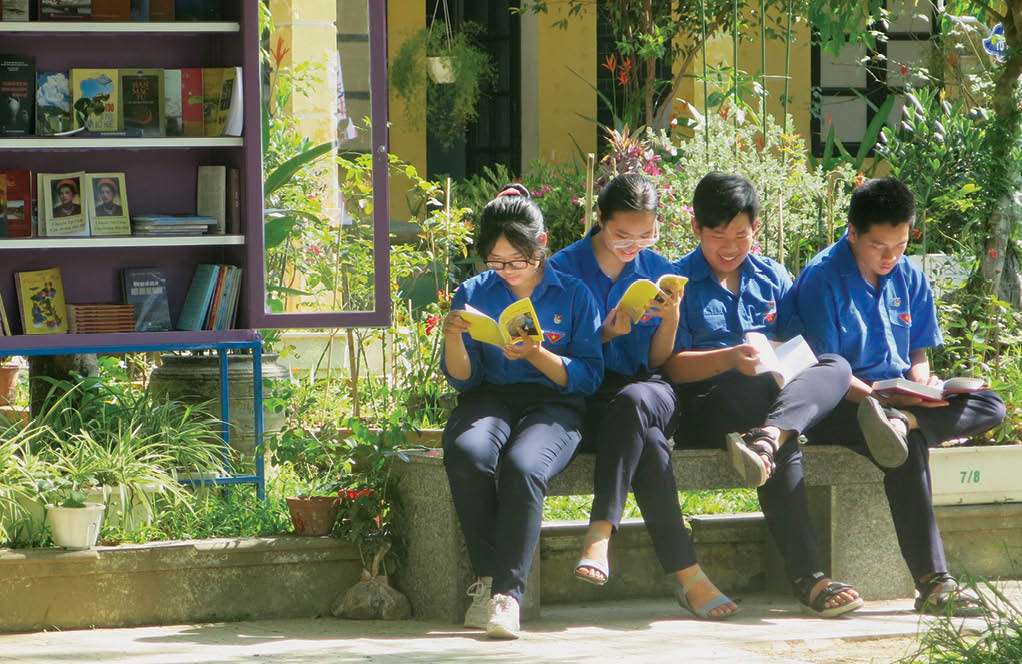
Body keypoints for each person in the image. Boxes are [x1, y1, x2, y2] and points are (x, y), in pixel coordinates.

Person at [783, 177, 1006, 615]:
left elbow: (917, 352)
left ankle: (907, 422)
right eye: (879, 246)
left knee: (991, 403)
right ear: (853, 232)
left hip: (899, 403)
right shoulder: (822, 278)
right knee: (905, 444)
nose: (890, 256)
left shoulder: (909, 276)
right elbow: (824, 371)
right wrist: (879, 405)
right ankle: (934, 582)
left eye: (900, 245)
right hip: (842, 404)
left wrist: (922, 386)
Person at [662, 171, 864, 618]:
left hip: (773, 399)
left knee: (834, 366)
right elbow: (670, 366)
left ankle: (769, 438)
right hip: (707, 405)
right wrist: (730, 358)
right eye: (718, 235)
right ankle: (809, 576)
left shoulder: (772, 275)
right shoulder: (676, 282)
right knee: (772, 417)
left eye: (741, 235)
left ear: (755, 229)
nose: (730, 247)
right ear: (696, 228)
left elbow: (799, 346)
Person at [549, 173, 738, 619]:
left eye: (645, 235)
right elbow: (556, 356)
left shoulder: (658, 270)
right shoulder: (563, 268)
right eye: (622, 235)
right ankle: (690, 577)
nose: (633, 246)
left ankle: (599, 534)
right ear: (599, 219)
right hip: (591, 394)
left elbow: (659, 359)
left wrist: (670, 318)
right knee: (649, 445)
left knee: (635, 401)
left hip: (650, 389)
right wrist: (602, 335)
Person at [440, 184, 603, 639]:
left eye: (518, 261)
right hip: (488, 397)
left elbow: (589, 375)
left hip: (554, 405)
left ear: (541, 244)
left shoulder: (574, 295)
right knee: (468, 453)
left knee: (523, 466)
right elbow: (463, 379)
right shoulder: (473, 292)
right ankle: (487, 581)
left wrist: (536, 354)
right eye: (497, 262)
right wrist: (454, 339)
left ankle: (508, 597)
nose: (508, 272)